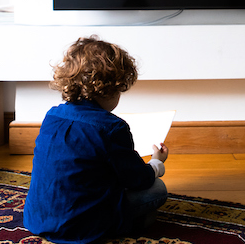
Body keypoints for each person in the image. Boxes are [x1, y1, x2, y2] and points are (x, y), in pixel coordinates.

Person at [23, 35, 169, 244]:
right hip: (82, 225)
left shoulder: (52, 115)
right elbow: (138, 179)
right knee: (157, 189)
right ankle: (124, 225)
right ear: (109, 89)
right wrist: (157, 163)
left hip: (38, 219)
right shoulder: (112, 127)